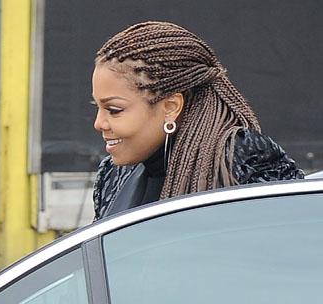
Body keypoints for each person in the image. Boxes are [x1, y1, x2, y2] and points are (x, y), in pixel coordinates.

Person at [91, 21, 304, 221]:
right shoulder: (113, 174)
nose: (99, 123)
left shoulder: (239, 159)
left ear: (171, 107)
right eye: (97, 107)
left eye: (114, 110)